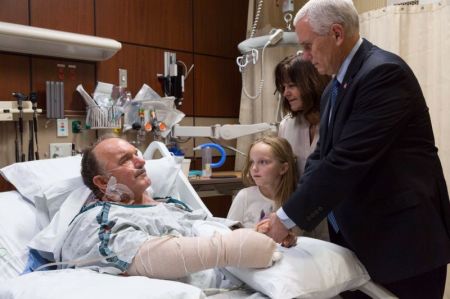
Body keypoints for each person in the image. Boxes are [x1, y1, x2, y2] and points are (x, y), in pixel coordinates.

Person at [259, 0, 450, 298]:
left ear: (336, 34)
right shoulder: (333, 90)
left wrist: (285, 220)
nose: (306, 57)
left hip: (402, 246)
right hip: (357, 241)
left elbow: (345, 162)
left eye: (308, 46)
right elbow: (319, 159)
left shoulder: (383, 74)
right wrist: (293, 218)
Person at [59, 136, 278, 280]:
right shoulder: (100, 220)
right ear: (103, 183)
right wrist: (230, 248)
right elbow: (141, 259)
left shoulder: (171, 205)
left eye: (137, 153)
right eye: (126, 159)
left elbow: (211, 228)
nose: (141, 161)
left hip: (243, 279)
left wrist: (257, 232)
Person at [274, 55, 331, 241]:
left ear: (312, 83)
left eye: (291, 86)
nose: (286, 93)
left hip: (335, 220)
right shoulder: (287, 126)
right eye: (283, 87)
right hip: (298, 220)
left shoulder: (335, 121)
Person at [227, 136, 298, 245]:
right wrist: (255, 234)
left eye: (263, 162)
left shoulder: (297, 202)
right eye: (252, 162)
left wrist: (292, 240)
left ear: (283, 168)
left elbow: (305, 239)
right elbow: (228, 235)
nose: (254, 168)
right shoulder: (244, 196)